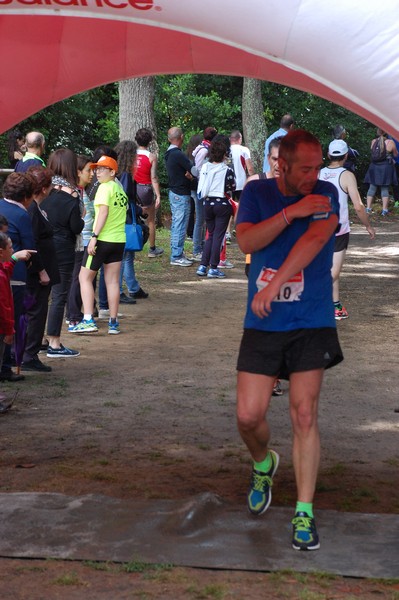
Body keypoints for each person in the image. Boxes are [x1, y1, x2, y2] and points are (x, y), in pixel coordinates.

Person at [236, 129, 343, 551]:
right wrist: (291, 212)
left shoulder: (326, 194)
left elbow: (317, 241)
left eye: (318, 167)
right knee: (248, 417)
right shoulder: (258, 193)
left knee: (303, 414)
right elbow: (247, 240)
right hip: (263, 323)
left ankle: (303, 512)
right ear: (281, 163)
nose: (314, 175)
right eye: (305, 168)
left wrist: (273, 283)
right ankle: (264, 463)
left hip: (310, 317)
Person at [71, 155, 128, 335]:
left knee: (84, 277)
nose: (98, 172)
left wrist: (94, 236)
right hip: (118, 241)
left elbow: (103, 212)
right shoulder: (120, 190)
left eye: (103, 169)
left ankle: (88, 318)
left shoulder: (105, 188)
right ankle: (113, 321)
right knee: (112, 281)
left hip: (102, 239)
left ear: (112, 172)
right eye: (96, 169)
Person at [319, 139, 375, 320]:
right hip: (338, 230)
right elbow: (358, 206)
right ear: (346, 156)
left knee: (330, 269)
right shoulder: (347, 175)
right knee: (333, 272)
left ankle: (335, 306)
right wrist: (367, 225)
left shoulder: (318, 173)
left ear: (328, 155)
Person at [40, 149, 83, 357]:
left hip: (44, 246)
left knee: (42, 294)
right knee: (59, 295)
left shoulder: (44, 190)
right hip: (64, 248)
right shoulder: (72, 194)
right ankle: (55, 342)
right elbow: (76, 227)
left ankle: (39, 338)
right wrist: (82, 218)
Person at [22, 166, 60, 372]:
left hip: (42, 268)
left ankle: (29, 352)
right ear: (44, 188)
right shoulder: (31, 210)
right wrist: (41, 270)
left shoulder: (36, 208)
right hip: (37, 271)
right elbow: (32, 242)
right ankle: (29, 354)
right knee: (35, 312)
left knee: (35, 310)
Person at [0, 172, 36, 381]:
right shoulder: (22, 215)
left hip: (9, 270)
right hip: (15, 274)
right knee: (10, 320)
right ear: (26, 196)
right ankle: (5, 367)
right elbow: (30, 245)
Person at [0, 233, 34, 407]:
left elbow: (6, 267)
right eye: (10, 247)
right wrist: (9, 329)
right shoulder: (1, 277)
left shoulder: (2, 270)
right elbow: (4, 307)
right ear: (1, 251)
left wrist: (14, 259)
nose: (13, 250)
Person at [196, 137, 235, 279]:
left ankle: (202, 265)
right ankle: (213, 267)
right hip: (222, 204)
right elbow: (232, 187)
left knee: (210, 234)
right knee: (218, 235)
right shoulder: (227, 169)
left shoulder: (206, 167)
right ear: (224, 154)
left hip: (207, 203)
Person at [115, 140, 149, 302]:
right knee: (123, 256)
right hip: (125, 219)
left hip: (121, 218)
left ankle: (133, 287)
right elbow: (125, 200)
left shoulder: (117, 173)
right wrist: (139, 210)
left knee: (127, 255)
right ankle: (119, 291)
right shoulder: (126, 176)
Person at [164, 127, 195, 267]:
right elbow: (193, 169)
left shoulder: (169, 154)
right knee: (180, 224)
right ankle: (176, 255)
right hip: (181, 193)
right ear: (181, 137)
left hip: (175, 191)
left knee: (179, 223)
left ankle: (178, 252)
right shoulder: (178, 154)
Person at [133, 128, 163, 259]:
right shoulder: (151, 157)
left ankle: (132, 244)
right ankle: (152, 249)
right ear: (150, 141)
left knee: (131, 216)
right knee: (150, 220)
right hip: (145, 189)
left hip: (132, 188)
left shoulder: (131, 155)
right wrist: (158, 195)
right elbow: (154, 177)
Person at [190, 127, 218, 261]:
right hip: (199, 187)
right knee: (200, 219)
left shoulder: (205, 147)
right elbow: (198, 168)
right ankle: (196, 249)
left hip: (202, 186)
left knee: (203, 218)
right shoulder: (204, 149)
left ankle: (200, 246)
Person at [364, 128, 398, 216]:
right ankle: (384, 210)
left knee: (372, 187)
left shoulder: (373, 141)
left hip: (374, 166)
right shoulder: (390, 142)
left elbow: (373, 152)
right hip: (386, 167)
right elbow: (395, 154)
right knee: (384, 188)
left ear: (378, 132)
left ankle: (368, 208)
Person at [229, 130, 254, 201]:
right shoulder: (244, 150)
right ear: (240, 139)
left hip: (229, 184)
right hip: (241, 183)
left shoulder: (226, 150)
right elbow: (249, 168)